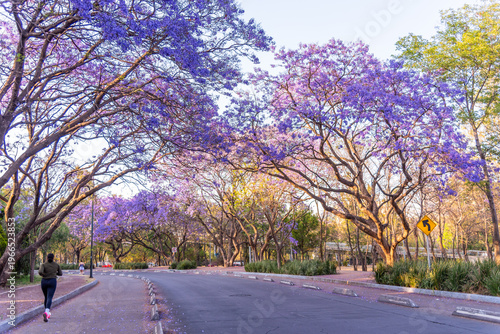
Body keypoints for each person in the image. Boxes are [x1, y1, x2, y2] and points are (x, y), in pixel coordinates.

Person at [38, 253, 63, 322]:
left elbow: (40, 272)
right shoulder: (56, 265)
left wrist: (44, 274)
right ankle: (47, 312)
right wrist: (54, 273)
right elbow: (60, 273)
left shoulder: (43, 264)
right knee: (49, 297)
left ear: (47, 258)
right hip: (52, 281)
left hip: (44, 281)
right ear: (53, 258)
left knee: (46, 297)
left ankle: (47, 313)